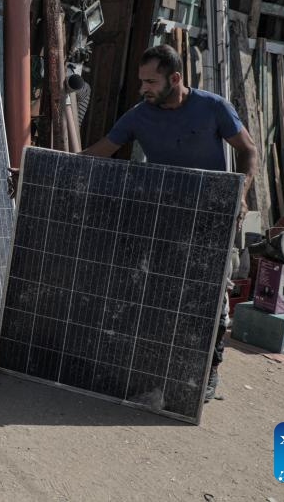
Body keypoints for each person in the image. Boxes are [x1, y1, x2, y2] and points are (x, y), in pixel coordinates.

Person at [83, 44, 259, 403]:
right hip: (165, 217)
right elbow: (100, 151)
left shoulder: (213, 107)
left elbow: (248, 150)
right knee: (162, 294)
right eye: (141, 82)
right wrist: (41, 166)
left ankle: (208, 372)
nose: (143, 89)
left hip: (212, 215)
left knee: (211, 298)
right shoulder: (138, 116)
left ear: (175, 78)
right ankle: (162, 369)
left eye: (150, 81)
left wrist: (240, 193)